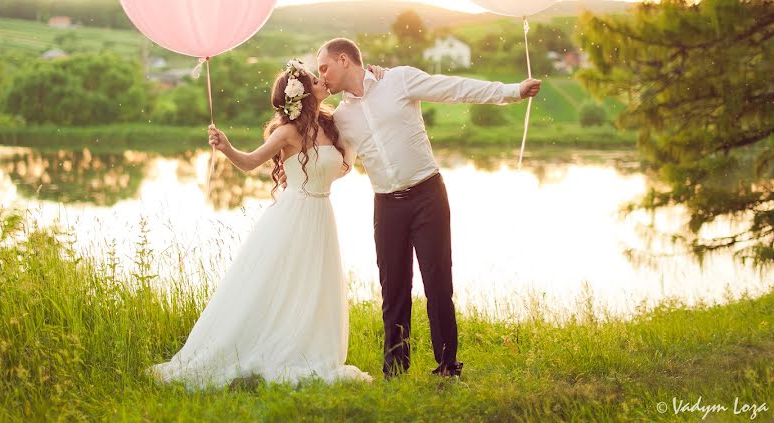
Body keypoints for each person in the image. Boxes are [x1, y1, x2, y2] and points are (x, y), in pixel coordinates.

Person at [316, 38, 541, 379]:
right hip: (386, 206)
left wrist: (513, 91)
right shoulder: (342, 118)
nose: (323, 75)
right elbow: (339, 162)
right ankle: (395, 372)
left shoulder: (398, 79)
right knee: (393, 290)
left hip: (427, 196)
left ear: (344, 59)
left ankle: (448, 367)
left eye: (324, 67)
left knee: (438, 284)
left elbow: (454, 89)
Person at [147, 59, 372, 388]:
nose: (321, 80)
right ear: (303, 93)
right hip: (293, 216)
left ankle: (308, 346)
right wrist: (226, 147)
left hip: (322, 216)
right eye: (313, 78)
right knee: (276, 285)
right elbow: (251, 162)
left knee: (313, 286)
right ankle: (261, 346)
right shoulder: (287, 132)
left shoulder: (333, 125)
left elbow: (344, 164)